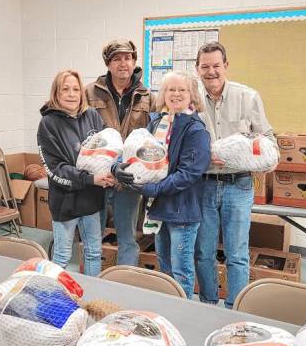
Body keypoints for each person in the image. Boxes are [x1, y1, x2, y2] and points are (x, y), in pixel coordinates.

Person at [194, 42, 275, 308]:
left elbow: (267, 139)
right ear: (197, 69)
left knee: (237, 254)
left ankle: (234, 310)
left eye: (216, 66)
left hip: (238, 185)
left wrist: (259, 157)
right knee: (203, 252)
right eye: (205, 66)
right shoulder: (190, 98)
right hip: (202, 185)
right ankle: (207, 304)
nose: (211, 72)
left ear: (226, 66)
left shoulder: (248, 97)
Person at [116, 71, 210, 298]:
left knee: (181, 271)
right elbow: (138, 152)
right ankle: (168, 308)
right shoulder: (157, 122)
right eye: (171, 89)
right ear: (163, 94)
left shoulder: (196, 130)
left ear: (192, 95)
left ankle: (183, 313)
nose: (176, 94)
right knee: (165, 267)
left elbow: (189, 174)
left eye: (182, 90)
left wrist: (151, 189)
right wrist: (117, 167)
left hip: (182, 212)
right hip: (158, 209)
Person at [37, 70, 115, 276]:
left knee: (93, 252)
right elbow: (55, 169)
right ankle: (55, 298)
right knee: (62, 255)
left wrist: (115, 169)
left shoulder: (92, 116)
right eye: (65, 89)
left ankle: (92, 296)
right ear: (56, 92)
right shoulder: (48, 123)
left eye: (76, 89)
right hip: (66, 200)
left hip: (91, 197)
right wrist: (90, 178)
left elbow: (109, 148)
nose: (71, 94)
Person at [85, 39, 155, 266]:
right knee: (93, 237)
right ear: (108, 64)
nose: (122, 63)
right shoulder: (90, 92)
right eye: (117, 58)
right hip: (98, 178)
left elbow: (152, 138)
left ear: (134, 61)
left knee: (128, 238)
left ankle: (126, 283)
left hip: (129, 178)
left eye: (127, 57)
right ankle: (93, 282)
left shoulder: (147, 96)